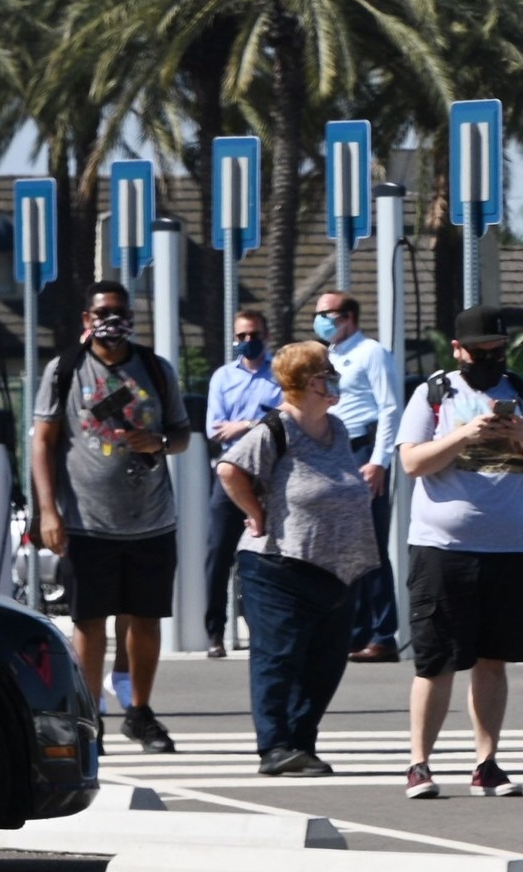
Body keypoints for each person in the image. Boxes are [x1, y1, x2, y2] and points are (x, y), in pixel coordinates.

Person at [31, 280, 194, 752]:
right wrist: (48, 510)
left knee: (146, 619)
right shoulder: (65, 370)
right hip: (86, 521)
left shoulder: (155, 370)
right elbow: (43, 441)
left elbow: (182, 435)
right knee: (90, 622)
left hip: (151, 519)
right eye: (102, 312)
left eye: (121, 312)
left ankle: (140, 713)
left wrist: (160, 443)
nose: (112, 321)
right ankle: (89, 718)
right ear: (87, 319)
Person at [393, 307, 523, 801]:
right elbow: (411, 461)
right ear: (458, 350)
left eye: (497, 352)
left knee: (493, 660)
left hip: (510, 548)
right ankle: (419, 764)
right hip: (442, 548)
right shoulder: (434, 393)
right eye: (480, 353)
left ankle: (487, 762)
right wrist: (462, 435)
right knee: (435, 661)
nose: (490, 360)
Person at [218, 340, 380, 776]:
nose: (335, 381)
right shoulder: (276, 429)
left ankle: (301, 743)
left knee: (324, 665)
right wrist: (255, 513)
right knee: (279, 658)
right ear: (311, 382)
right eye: (329, 374)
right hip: (279, 565)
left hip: (338, 570)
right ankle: (274, 747)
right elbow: (229, 469)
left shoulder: (337, 428)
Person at [314, 290, 403, 662]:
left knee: (370, 545)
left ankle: (383, 634)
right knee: (344, 547)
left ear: (347, 317)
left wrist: (379, 460)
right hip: (336, 451)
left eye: (326, 314)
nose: (319, 320)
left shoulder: (372, 353)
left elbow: (390, 407)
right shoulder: (329, 357)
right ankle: (355, 631)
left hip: (364, 451)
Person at [200, 307, 282, 658]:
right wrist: (258, 421)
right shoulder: (222, 377)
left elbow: (282, 420)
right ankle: (215, 633)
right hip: (231, 472)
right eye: (242, 336)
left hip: (268, 474)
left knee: (266, 555)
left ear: (266, 336)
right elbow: (214, 429)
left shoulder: (279, 373)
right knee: (218, 553)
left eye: (255, 335)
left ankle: (262, 630)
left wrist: (246, 424)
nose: (248, 341)